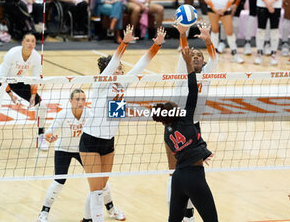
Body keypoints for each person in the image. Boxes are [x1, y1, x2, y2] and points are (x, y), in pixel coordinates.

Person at [79, 25, 166, 222]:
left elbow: (141, 65)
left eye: (120, 68)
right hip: (91, 140)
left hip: (109, 141)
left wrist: (157, 46)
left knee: (99, 187)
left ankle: (86, 219)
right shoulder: (100, 83)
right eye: (117, 67)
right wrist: (124, 43)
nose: (119, 70)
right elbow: (112, 65)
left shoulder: (122, 84)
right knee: (96, 192)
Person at [37, 89, 125, 222]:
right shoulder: (63, 114)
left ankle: (111, 209)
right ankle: (44, 212)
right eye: (77, 99)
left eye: (83, 99)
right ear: (71, 101)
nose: (80, 102)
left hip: (83, 150)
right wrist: (50, 138)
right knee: (59, 181)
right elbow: (48, 133)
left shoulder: (89, 113)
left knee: (100, 180)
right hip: (63, 149)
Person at [152, 46, 218, 222]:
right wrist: (202, 150)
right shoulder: (188, 119)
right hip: (193, 177)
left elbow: (192, 143)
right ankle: (189, 216)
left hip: (179, 178)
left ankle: (188, 215)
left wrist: (202, 150)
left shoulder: (168, 133)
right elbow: (193, 91)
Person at [167, 21, 217, 222]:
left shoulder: (207, 75)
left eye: (199, 56)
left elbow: (214, 57)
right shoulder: (182, 73)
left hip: (194, 126)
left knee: (194, 172)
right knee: (175, 173)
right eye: (193, 56)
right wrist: (182, 33)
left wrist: (208, 40)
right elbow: (184, 52)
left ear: (203, 62)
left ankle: (188, 216)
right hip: (176, 126)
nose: (195, 57)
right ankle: (179, 213)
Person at [205, 0, 244, 64]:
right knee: (214, 30)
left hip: (226, 10)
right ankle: (213, 55)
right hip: (212, 9)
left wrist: (224, 9)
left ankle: (235, 54)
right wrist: (214, 9)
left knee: (229, 32)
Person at [253, 0, 284, 65]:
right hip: (262, 4)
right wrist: (267, 2)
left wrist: (272, 1)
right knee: (261, 30)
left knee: (275, 30)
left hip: (276, 5)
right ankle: (259, 53)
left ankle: (273, 54)